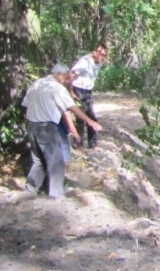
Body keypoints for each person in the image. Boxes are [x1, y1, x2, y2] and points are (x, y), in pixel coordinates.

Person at [22, 64, 102, 199]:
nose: (66, 80)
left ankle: (30, 190)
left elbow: (25, 103)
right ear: (58, 74)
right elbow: (72, 107)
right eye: (65, 77)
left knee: (39, 161)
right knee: (56, 163)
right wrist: (90, 121)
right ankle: (56, 195)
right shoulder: (57, 88)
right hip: (46, 127)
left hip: (31, 125)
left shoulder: (37, 84)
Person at [71, 43, 108, 149]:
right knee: (80, 117)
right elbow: (72, 74)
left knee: (91, 116)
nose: (103, 57)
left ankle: (92, 142)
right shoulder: (84, 62)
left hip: (88, 91)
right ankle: (78, 141)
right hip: (78, 89)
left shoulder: (100, 62)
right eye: (101, 54)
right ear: (94, 52)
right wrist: (71, 92)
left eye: (105, 55)